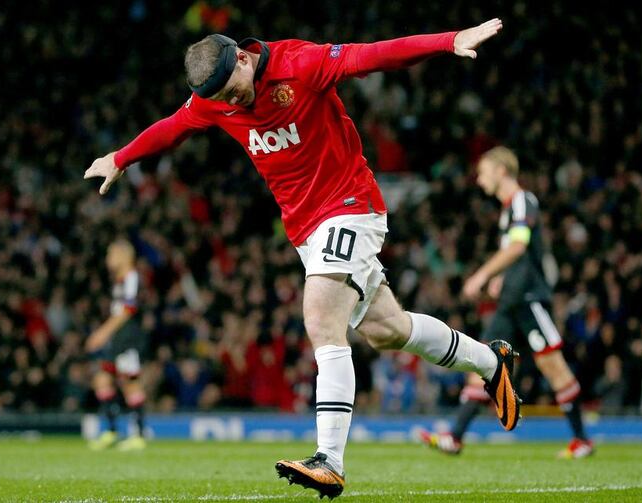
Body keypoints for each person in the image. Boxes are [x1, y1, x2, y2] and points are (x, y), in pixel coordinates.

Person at [85, 20, 520, 498]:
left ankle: (329, 459)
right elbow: (173, 127)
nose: (233, 104)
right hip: (306, 230)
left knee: (319, 314)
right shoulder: (214, 97)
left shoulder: (300, 64)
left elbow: (373, 54)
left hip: (350, 205)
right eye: (224, 100)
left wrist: (448, 41)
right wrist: (121, 158)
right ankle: (490, 360)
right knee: (387, 330)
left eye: (235, 92)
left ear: (246, 60)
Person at [420, 147, 594, 459]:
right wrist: (502, 279)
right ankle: (454, 437)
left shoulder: (522, 200)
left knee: (553, 366)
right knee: (483, 361)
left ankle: (582, 440)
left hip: (529, 300)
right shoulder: (507, 210)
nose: (479, 178)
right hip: (511, 302)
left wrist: (483, 275)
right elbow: (518, 253)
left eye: (483, 171)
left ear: (501, 170)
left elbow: (518, 246)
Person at [85, 240, 148, 451]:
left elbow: (128, 310)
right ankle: (111, 431)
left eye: (111, 255)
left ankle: (138, 435)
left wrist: (103, 332)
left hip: (127, 336)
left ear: (123, 256)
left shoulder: (131, 276)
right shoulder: (120, 280)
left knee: (130, 383)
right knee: (102, 380)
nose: (108, 259)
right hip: (119, 336)